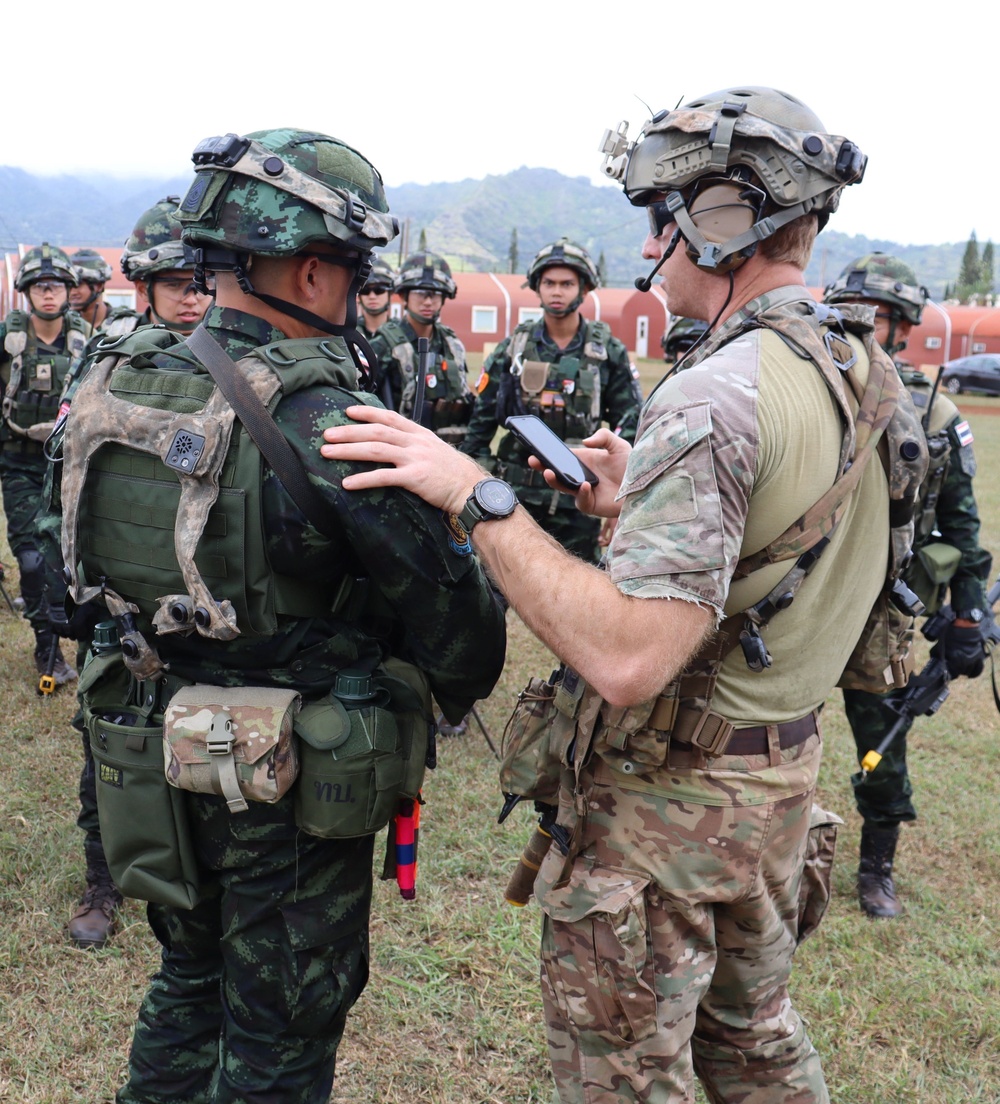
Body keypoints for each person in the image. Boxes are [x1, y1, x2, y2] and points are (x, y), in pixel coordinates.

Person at [320, 87, 898, 1103]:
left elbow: (628, 656)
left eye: (659, 222)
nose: (647, 253)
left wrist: (476, 495)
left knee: (630, 1076)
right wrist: (642, 501)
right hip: (777, 784)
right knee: (754, 1043)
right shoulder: (854, 363)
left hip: (672, 816)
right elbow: (778, 551)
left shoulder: (714, 393)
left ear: (724, 220)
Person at [56, 128, 505, 1101]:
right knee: (281, 1036)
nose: (358, 291)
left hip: (155, 751)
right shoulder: (327, 420)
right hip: (288, 781)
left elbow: (72, 568)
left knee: (186, 979)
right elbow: (461, 639)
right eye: (353, 269)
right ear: (309, 273)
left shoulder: (116, 377)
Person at [59, 198, 213, 950]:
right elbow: (69, 468)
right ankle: (103, 878)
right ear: (144, 283)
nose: (194, 295)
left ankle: (200, 879)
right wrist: (64, 578)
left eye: (204, 280)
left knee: (213, 744)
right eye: (177, 280)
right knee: (111, 743)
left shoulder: (240, 362)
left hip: (206, 592)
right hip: (121, 593)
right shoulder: (111, 356)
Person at [824, 253, 992, 918]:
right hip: (804, 600)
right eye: (856, 316)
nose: (868, 330)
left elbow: (962, 521)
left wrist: (969, 615)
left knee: (882, 739)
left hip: (884, 608)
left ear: (904, 328)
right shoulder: (812, 392)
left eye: (884, 319)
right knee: (774, 727)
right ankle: (766, 845)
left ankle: (876, 866)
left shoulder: (935, 413)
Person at [461, 239, 642, 560]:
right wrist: (478, 483)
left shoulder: (607, 352)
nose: (557, 291)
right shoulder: (513, 347)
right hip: (514, 497)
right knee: (497, 590)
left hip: (579, 499)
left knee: (576, 597)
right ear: (537, 287)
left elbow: (629, 423)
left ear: (584, 288)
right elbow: (481, 424)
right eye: (549, 283)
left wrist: (621, 499)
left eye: (567, 284)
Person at [1, 242, 89, 686]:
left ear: (69, 290)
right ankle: (45, 649)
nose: (48, 294)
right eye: (40, 286)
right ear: (27, 292)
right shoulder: (9, 338)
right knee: (32, 560)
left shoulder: (84, 341)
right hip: (18, 464)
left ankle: (81, 642)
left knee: (68, 560)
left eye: (55, 286)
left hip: (66, 467)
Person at [370, 250, 473, 443]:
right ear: (404, 296)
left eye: (435, 294)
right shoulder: (384, 344)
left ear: (444, 298)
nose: (427, 301)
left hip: (448, 450)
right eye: (419, 293)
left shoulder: (452, 345)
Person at [69, 248, 115, 330]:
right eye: (69, 285)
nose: (72, 292)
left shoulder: (124, 325)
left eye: (78, 285)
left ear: (99, 286)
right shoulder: (63, 325)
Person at [357, 255, 394, 340]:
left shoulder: (403, 333)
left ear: (390, 293)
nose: (372, 296)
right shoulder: (348, 333)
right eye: (365, 291)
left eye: (379, 290)